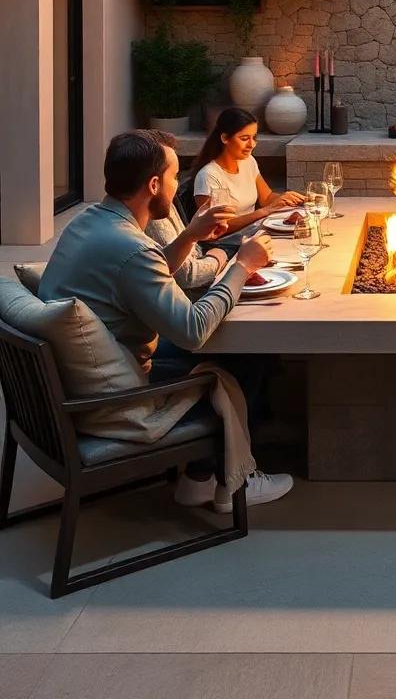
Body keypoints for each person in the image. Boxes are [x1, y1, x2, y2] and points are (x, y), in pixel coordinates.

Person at [39, 129, 294, 513]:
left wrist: (188, 236)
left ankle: (215, 464)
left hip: (81, 374)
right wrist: (241, 266)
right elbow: (191, 331)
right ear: (154, 184)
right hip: (116, 395)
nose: (178, 188)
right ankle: (224, 481)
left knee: (238, 347)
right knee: (244, 355)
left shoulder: (90, 220)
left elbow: (138, 274)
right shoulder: (133, 248)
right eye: (175, 178)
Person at [191, 107, 303, 235]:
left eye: (254, 137)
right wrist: (264, 211)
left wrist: (288, 198)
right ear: (225, 138)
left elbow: (266, 198)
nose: (252, 144)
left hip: (254, 232)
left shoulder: (248, 161)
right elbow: (216, 228)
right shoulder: (208, 176)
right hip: (229, 244)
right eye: (244, 139)